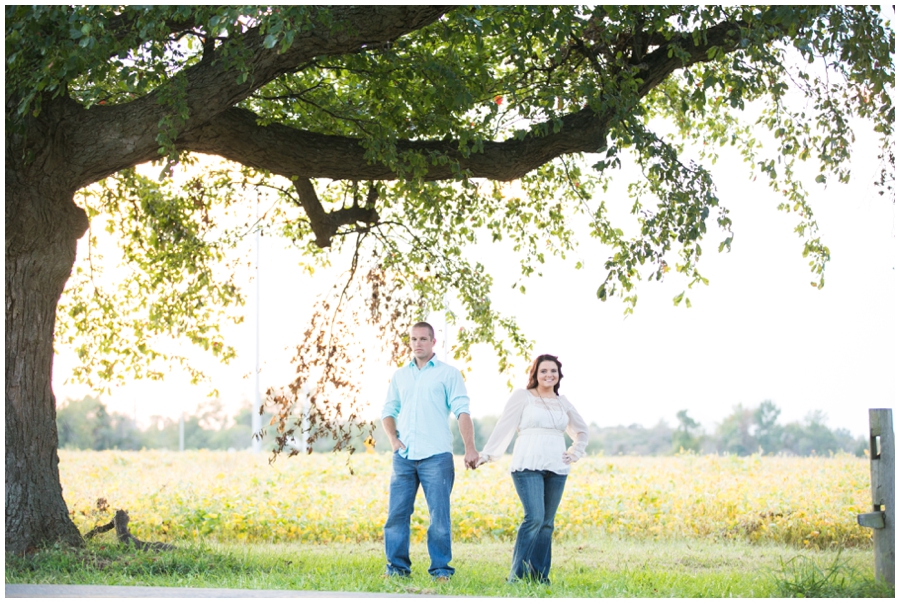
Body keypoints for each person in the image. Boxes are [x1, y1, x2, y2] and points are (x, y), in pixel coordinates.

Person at [476, 353, 588, 584]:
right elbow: (504, 425)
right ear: (535, 374)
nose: (549, 375)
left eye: (553, 371)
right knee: (534, 518)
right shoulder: (523, 397)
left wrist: (575, 452)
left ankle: (539, 577)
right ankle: (516, 577)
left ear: (559, 375)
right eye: (544, 371)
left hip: (557, 467)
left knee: (547, 524)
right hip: (527, 464)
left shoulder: (563, 402)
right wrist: (487, 454)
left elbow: (582, 430)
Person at [381, 321, 479, 581]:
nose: (418, 344)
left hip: (436, 456)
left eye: (423, 339)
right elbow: (388, 412)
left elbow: (462, 411)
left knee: (439, 518)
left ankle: (440, 571)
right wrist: (393, 439)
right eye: (413, 339)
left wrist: (470, 448)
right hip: (403, 457)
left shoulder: (448, 374)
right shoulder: (400, 376)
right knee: (396, 516)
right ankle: (397, 569)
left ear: (434, 342)